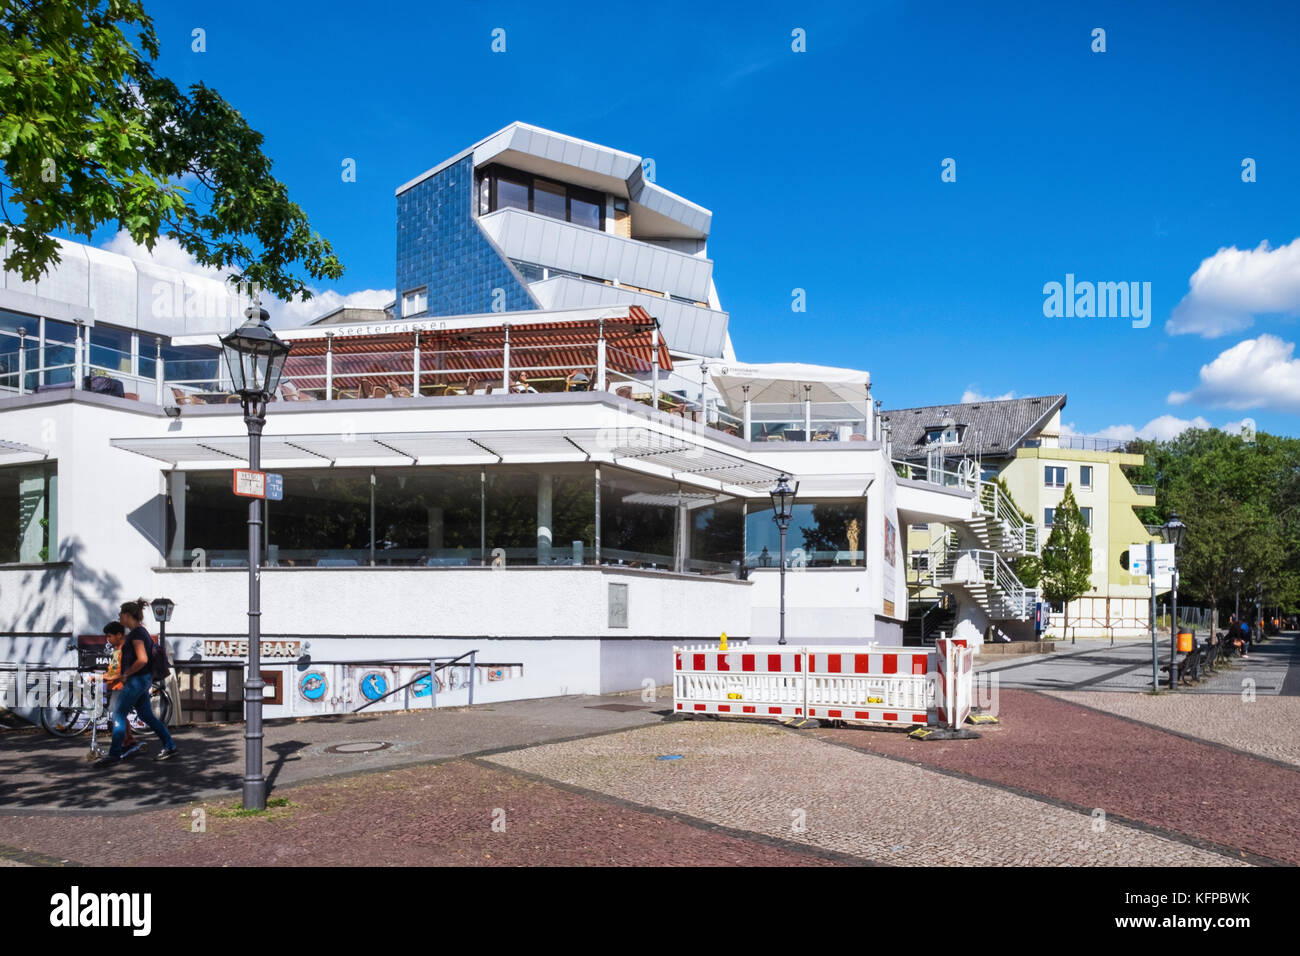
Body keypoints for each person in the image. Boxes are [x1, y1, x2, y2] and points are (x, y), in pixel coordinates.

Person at [96, 598, 176, 765]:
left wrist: (126, 673)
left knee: (118, 714)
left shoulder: (137, 634)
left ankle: (115, 754)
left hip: (137, 680)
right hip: (142, 679)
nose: (119, 617)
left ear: (127, 615)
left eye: (120, 614)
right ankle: (169, 745)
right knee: (146, 715)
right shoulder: (141, 632)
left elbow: (142, 659)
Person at [87, 622, 135, 750]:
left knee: (116, 715)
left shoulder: (124, 651)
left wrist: (100, 677)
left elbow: (120, 673)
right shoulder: (117, 650)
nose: (107, 639)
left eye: (109, 636)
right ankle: (128, 739)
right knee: (119, 715)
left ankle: (122, 742)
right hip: (116, 687)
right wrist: (103, 677)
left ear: (119, 635)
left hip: (121, 688)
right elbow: (113, 671)